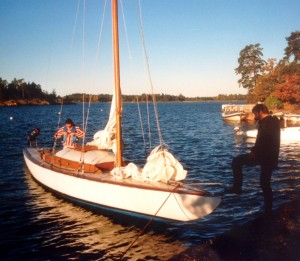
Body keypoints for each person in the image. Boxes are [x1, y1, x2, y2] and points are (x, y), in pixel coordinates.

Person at [226, 104, 280, 215]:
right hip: (271, 157)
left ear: (260, 111)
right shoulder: (273, 121)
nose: (254, 115)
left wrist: (254, 151)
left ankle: (237, 188)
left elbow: (263, 140)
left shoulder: (266, 123)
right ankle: (268, 209)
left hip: (263, 156)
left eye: (255, 113)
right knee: (265, 183)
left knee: (236, 161)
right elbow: (267, 140)